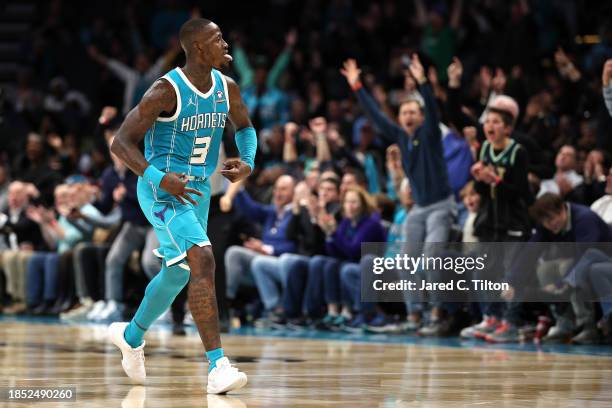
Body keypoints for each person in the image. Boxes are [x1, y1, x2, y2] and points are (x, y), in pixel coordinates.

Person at [108, 18, 255, 394]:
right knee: (203, 259)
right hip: (162, 192)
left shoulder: (228, 88)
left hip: (200, 192)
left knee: (178, 274)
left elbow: (244, 127)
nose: (226, 43)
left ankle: (131, 335)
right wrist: (159, 178)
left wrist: (248, 159)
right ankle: (217, 367)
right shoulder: (164, 90)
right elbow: (121, 143)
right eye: (217, 38)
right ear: (198, 49)